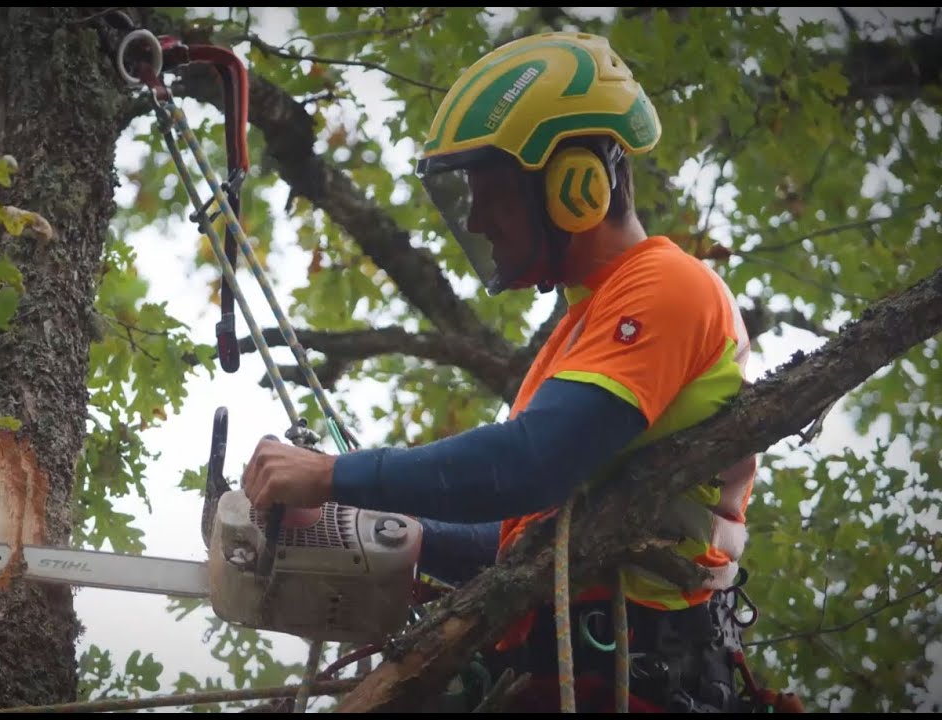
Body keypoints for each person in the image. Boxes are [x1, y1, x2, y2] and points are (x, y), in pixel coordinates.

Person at [240, 31, 760, 712]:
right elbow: (531, 533)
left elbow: (528, 465)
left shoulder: (666, 286)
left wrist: (333, 474)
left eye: (494, 192)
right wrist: (396, 534)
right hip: (566, 673)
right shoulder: (584, 324)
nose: (478, 220)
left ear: (578, 183)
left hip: (634, 681)